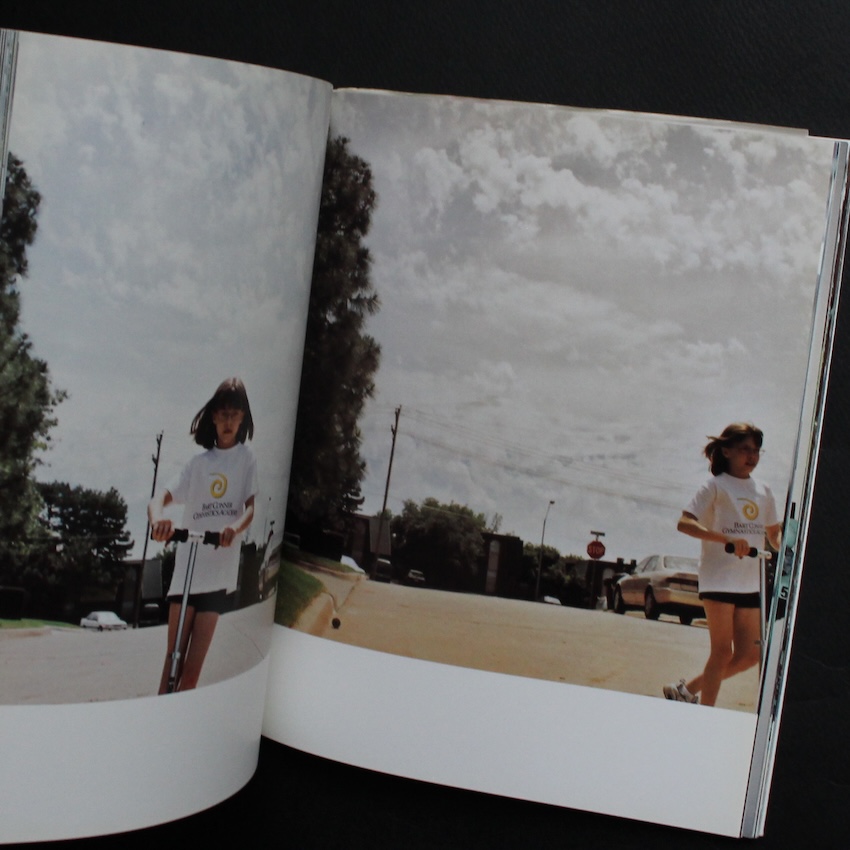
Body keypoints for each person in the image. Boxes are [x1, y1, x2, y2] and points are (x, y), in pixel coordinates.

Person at [149, 377, 258, 693]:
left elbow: (251, 508)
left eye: (234, 414)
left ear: (243, 418)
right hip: (186, 572)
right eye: (223, 414)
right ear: (213, 417)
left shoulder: (246, 459)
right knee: (172, 661)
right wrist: (158, 521)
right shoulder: (198, 464)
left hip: (217, 575)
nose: (228, 421)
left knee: (191, 674)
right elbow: (159, 499)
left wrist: (234, 528)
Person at [664, 423, 782, 707]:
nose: (752, 456)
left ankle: (686, 690)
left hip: (750, 581)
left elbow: (773, 535)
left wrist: (791, 547)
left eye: (756, 450)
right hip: (719, 578)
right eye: (745, 449)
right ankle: (706, 712)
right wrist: (725, 538)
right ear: (727, 451)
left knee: (750, 656)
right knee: (722, 652)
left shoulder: (764, 490)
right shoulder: (715, 485)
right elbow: (685, 523)